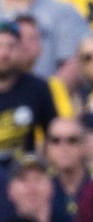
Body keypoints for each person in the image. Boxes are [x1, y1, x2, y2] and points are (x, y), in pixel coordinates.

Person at [0, 20, 57, 164]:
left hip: (25, 175)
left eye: (11, 46)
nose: (4, 53)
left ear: (20, 51)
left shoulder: (37, 87)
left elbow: (54, 134)